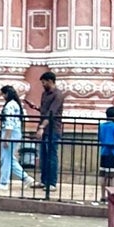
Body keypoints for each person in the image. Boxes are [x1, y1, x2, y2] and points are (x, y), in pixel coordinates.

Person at [33, 70, 65, 199]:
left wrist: (41, 127)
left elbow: (52, 113)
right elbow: (45, 111)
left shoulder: (58, 95)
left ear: (50, 81)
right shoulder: (44, 94)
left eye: (44, 82)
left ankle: (52, 182)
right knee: (44, 155)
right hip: (45, 127)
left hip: (53, 128)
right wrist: (37, 108)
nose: (43, 84)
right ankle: (44, 180)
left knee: (52, 155)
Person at [0, 85, 28, 188]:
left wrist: (6, 137)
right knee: (9, 157)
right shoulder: (16, 104)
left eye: (2, 94)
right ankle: (25, 178)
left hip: (10, 132)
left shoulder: (9, 105)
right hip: (16, 132)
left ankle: (4, 182)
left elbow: (9, 122)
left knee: (6, 158)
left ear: (6, 94)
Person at [98, 105, 114, 182]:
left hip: (103, 152)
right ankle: (112, 193)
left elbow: (100, 137)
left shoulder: (101, 126)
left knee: (103, 175)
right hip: (113, 153)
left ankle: (103, 193)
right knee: (113, 175)